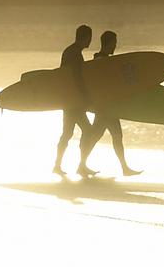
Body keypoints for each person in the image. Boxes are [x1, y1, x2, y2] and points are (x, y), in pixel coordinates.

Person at [79, 31, 141, 177]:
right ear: (107, 44)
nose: (115, 46)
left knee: (101, 135)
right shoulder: (101, 60)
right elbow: (102, 81)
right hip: (105, 106)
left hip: (106, 105)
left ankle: (82, 165)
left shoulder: (104, 59)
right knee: (111, 135)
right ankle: (124, 168)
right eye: (114, 43)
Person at [52, 24, 97, 177]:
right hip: (73, 100)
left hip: (68, 99)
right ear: (85, 38)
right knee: (87, 130)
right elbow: (77, 77)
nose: (90, 41)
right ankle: (81, 166)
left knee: (67, 133)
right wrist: (85, 95)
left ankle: (58, 165)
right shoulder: (75, 53)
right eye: (89, 38)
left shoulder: (70, 51)